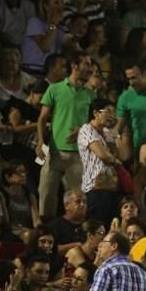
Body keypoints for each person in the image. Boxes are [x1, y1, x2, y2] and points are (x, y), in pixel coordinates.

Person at [37, 50, 96, 218]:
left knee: (77, 200)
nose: (90, 68)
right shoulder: (54, 89)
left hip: (79, 155)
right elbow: (42, 118)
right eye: (86, 64)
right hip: (54, 153)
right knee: (46, 194)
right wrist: (40, 142)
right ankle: (45, 233)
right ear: (74, 66)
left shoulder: (91, 94)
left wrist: (83, 129)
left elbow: (96, 122)